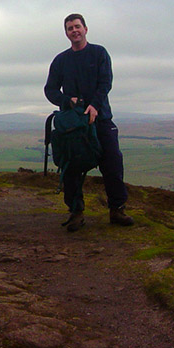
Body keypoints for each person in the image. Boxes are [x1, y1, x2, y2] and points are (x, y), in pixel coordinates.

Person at [44, 13, 134, 231]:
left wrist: (94, 105)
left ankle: (117, 210)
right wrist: (67, 101)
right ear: (66, 33)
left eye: (77, 26)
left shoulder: (99, 53)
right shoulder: (60, 60)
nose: (74, 31)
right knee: (72, 167)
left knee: (112, 163)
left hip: (101, 119)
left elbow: (105, 83)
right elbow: (50, 90)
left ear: (85, 29)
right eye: (69, 28)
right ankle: (76, 212)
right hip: (73, 124)